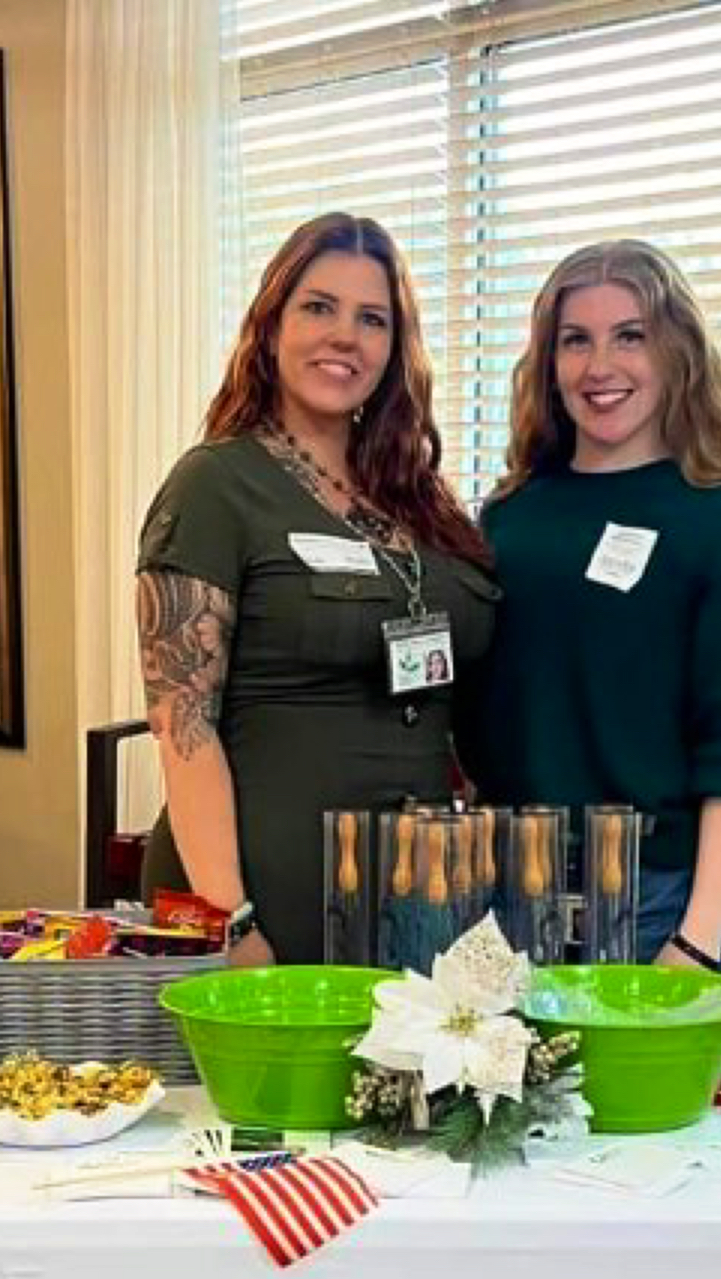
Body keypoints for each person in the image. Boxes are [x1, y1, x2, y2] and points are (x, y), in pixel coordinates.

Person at [137, 213, 498, 966]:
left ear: (395, 348)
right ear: (271, 325)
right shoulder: (216, 485)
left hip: (417, 891)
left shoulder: (420, 496)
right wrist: (230, 920)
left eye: (373, 319)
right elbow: (183, 727)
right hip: (267, 893)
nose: (345, 336)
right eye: (319, 307)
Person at [456, 240, 721, 977]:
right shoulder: (508, 518)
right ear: (549, 363)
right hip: (511, 898)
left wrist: (698, 937)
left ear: (677, 354)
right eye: (576, 340)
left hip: (665, 905)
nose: (600, 365)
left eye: (630, 336)